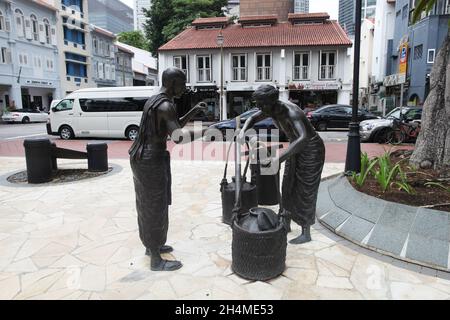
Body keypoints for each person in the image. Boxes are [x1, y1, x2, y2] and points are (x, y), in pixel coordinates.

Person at [129, 67, 207, 271]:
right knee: (154, 205)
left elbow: (173, 126)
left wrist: (193, 112)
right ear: (173, 84)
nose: (185, 87)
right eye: (182, 83)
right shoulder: (164, 104)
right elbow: (179, 137)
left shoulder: (157, 99)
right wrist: (207, 131)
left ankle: (152, 245)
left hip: (143, 157)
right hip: (150, 159)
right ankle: (156, 258)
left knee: (149, 203)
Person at [238, 85, 325, 244]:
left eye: (261, 104)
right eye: (257, 104)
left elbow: (304, 137)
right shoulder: (269, 109)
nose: (259, 108)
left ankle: (306, 231)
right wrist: (243, 131)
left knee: (305, 189)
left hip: (311, 150)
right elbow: (251, 119)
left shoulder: (291, 112)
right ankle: (285, 221)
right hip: (295, 147)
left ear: (272, 101)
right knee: (287, 184)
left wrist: (279, 158)